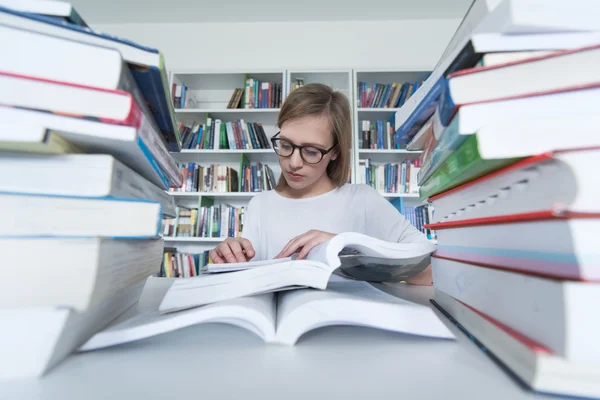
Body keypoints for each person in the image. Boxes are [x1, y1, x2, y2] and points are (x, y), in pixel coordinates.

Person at [209, 83, 432, 285]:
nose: (294, 163)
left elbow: (429, 271)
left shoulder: (362, 200)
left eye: (312, 151)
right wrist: (229, 258)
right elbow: (250, 281)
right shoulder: (260, 204)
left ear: (334, 152)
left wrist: (347, 246)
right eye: (285, 145)